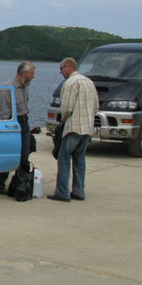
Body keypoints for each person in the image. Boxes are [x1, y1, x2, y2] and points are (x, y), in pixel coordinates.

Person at [48, 57, 99, 202]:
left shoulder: (70, 83)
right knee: (80, 160)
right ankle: (79, 191)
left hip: (73, 128)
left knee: (64, 160)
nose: (60, 72)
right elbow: (96, 106)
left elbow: (66, 109)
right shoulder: (89, 82)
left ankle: (62, 192)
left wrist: (63, 120)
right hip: (87, 128)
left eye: (61, 68)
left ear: (69, 67)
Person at [0, 61, 35, 195]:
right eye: (31, 74)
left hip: (24, 121)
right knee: (8, 154)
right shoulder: (8, 87)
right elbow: (3, 112)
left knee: (24, 155)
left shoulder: (25, 85)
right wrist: (6, 130)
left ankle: (20, 183)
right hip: (11, 122)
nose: (33, 77)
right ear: (23, 74)